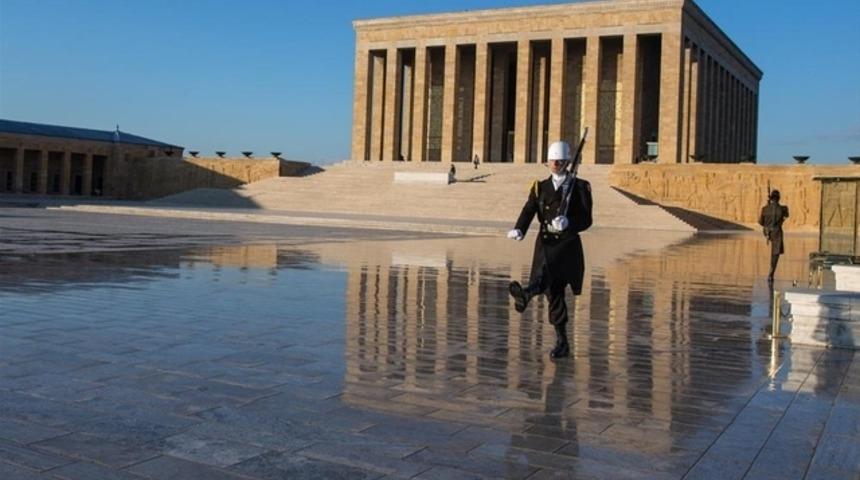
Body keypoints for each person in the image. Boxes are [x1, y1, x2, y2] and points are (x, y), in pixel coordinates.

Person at [506, 141, 593, 359]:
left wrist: (569, 222)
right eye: (552, 161)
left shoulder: (580, 186)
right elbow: (529, 210)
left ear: (566, 162)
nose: (554, 164)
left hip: (566, 245)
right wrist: (519, 228)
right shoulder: (540, 187)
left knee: (547, 276)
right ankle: (562, 342)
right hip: (545, 241)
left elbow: (586, 218)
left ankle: (527, 293)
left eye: (558, 161)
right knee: (553, 291)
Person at [759, 189, 789, 282]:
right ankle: (771, 272)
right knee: (776, 253)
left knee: (775, 251)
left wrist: (768, 206)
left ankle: (771, 271)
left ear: (771, 198)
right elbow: (786, 214)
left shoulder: (764, 209)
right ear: (779, 198)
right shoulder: (783, 209)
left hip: (767, 231)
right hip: (777, 232)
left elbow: (761, 222)